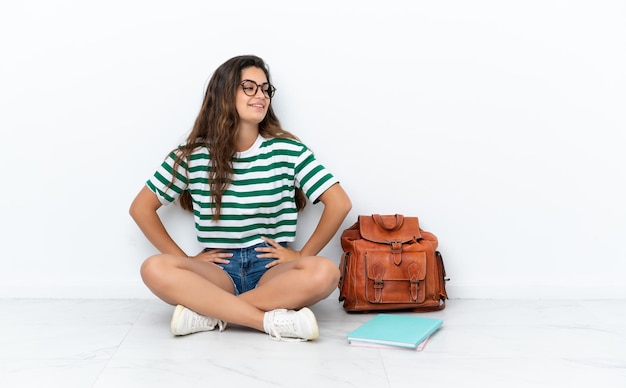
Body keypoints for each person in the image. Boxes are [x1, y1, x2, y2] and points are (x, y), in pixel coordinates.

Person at [129, 54, 351, 341]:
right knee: (154, 268)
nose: (261, 95)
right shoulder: (190, 156)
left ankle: (209, 314)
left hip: (271, 269)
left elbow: (340, 202)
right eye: (249, 87)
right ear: (224, 93)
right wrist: (184, 259)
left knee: (326, 272)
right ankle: (267, 321)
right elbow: (141, 208)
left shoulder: (288, 150)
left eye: (265, 88)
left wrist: (301, 255)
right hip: (218, 270)